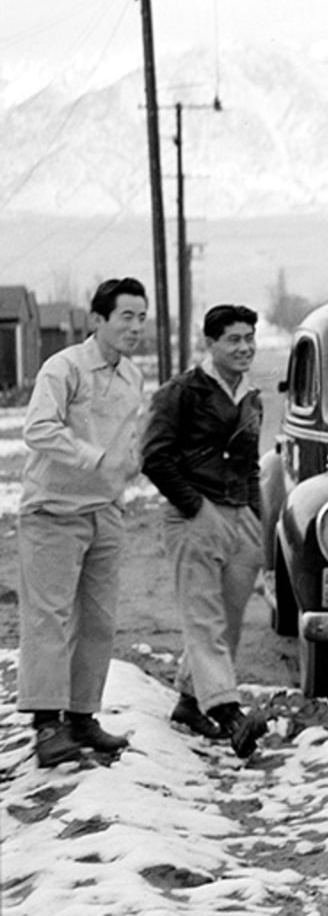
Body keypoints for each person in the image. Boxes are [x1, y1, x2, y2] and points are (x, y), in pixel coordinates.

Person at [17, 277, 151, 769]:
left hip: (104, 514)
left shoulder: (132, 378)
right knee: (48, 619)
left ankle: (81, 716)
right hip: (52, 513)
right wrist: (95, 458)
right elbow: (38, 429)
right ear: (98, 320)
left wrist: (128, 462)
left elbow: (126, 439)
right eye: (126, 316)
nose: (135, 327)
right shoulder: (64, 368)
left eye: (141, 317)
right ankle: (46, 726)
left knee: (97, 621)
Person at [141, 303, 271, 760]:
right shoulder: (181, 393)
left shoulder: (251, 396)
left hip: (240, 519)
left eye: (249, 338)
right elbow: (154, 457)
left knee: (229, 622)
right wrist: (196, 507)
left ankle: (189, 702)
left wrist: (256, 516)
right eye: (233, 339)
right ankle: (231, 716)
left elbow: (253, 466)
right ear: (209, 343)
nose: (245, 347)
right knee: (205, 622)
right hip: (194, 516)